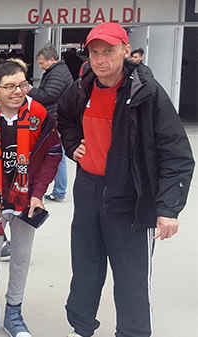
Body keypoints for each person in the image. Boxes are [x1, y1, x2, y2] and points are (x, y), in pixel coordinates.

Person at [58, 22, 194, 337]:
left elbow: (177, 153)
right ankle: (81, 327)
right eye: (94, 52)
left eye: (109, 51)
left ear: (125, 51)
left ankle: (133, 333)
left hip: (130, 196)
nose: (101, 59)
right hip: (89, 190)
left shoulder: (146, 93)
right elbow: (63, 117)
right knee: (85, 268)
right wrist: (72, 143)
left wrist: (168, 207)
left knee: (131, 275)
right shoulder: (81, 88)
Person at [0, 59, 62, 337]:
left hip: (25, 200)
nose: (17, 91)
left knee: (21, 256)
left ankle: (13, 311)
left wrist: (38, 193)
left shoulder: (39, 115)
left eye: (22, 84)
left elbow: (53, 153)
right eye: (9, 86)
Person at [28, 44, 73, 203]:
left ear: (52, 59)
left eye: (42, 63)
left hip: (54, 117)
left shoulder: (57, 74)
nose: (40, 66)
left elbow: (47, 95)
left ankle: (60, 191)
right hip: (56, 116)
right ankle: (58, 190)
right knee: (55, 154)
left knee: (56, 155)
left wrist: (30, 90)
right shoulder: (57, 71)